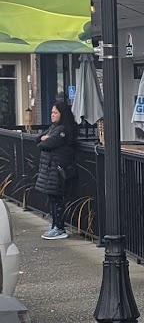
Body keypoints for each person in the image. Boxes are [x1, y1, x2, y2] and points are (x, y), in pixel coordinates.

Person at [36, 96, 77, 240]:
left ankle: (59, 227)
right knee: (53, 199)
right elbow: (38, 139)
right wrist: (44, 138)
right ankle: (55, 225)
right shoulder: (54, 128)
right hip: (51, 170)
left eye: (55, 113)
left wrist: (46, 139)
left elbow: (45, 144)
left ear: (62, 114)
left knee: (57, 199)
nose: (52, 115)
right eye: (52, 112)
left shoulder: (62, 130)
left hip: (58, 170)